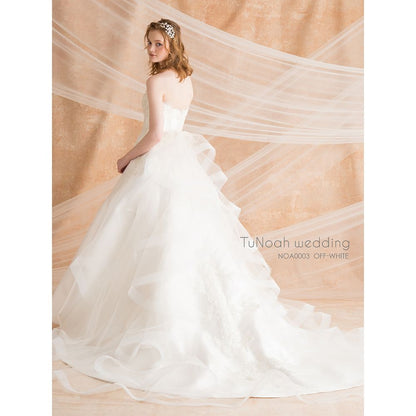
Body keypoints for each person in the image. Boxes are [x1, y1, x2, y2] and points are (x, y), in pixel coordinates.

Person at [52, 18, 363, 408]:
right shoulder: (186, 80)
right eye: (148, 43)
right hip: (182, 166)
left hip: (159, 165)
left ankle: (153, 325)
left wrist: (125, 158)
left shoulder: (155, 82)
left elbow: (156, 135)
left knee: (151, 241)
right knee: (181, 241)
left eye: (158, 44)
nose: (151, 50)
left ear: (172, 45)